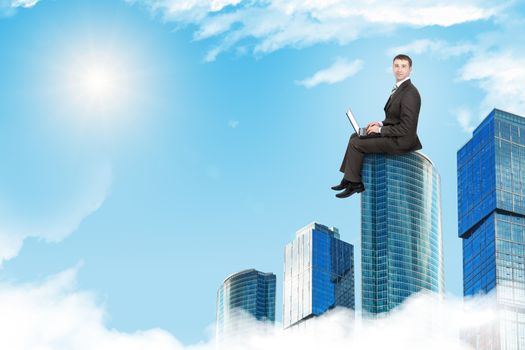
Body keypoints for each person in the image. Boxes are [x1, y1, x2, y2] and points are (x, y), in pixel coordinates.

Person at [332, 54, 422, 199]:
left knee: (357, 143)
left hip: (401, 141)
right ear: (392, 68)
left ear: (410, 69)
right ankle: (348, 179)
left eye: (403, 66)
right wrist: (380, 123)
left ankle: (355, 184)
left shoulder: (410, 93)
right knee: (354, 136)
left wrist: (380, 130)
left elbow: (406, 128)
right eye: (396, 66)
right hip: (393, 133)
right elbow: (395, 118)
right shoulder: (400, 89)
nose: (399, 70)